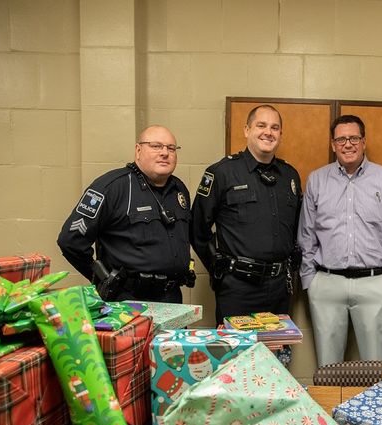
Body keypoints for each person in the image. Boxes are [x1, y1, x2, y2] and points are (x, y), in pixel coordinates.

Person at [298, 115, 382, 367]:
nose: (347, 144)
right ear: (333, 144)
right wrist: (310, 281)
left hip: (374, 285)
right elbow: (306, 235)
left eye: (353, 138)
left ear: (364, 141)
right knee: (327, 369)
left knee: (375, 368)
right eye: (341, 139)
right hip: (326, 284)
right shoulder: (317, 179)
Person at [191, 105, 302, 326]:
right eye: (261, 125)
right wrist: (218, 267)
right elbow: (197, 230)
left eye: (275, 127)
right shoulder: (221, 173)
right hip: (238, 287)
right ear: (246, 130)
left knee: (276, 355)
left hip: (280, 286)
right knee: (236, 356)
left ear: (280, 134)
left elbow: (297, 228)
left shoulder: (289, 176)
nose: (268, 132)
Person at [57, 125, 192, 303]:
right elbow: (70, 241)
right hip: (128, 300)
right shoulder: (112, 187)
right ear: (138, 150)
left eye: (171, 148)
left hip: (172, 297)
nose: (165, 153)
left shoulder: (179, 189)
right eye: (156, 146)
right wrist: (102, 278)